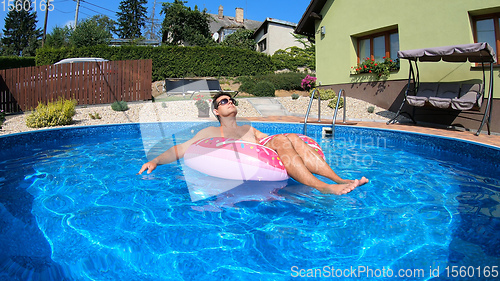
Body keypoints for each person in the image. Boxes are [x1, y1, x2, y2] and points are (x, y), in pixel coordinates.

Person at [138, 92, 368, 195]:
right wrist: (156, 160)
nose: (229, 102)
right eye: (223, 101)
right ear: (217, 111)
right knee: (282, 139)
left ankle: (339, 179)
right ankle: (323, 187)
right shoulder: (210, 131)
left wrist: (285, 141)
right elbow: (180, 149)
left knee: (293, 137)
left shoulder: (249, 128)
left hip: (268, 152)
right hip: (255, 156)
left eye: (231, 100)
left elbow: (271, 143)